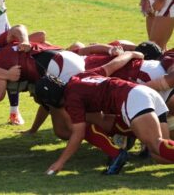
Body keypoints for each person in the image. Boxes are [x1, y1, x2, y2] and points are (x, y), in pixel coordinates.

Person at [35, 63, 174, 175]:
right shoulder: (78, 78)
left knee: (156, 145)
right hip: (144, 92)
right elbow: (109, 67)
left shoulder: (71, 99)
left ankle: (118, 151)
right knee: (159, 155)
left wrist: (60, 162)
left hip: (133, 98)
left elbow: (78, 133)